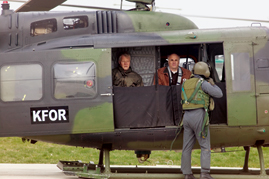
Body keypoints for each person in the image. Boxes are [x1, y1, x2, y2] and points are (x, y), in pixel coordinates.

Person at [181, 62, 223, 179]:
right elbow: (219, 94)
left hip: (186, 117)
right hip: (199, 115)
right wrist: (212, 84)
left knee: (187, 147)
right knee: (205, 146)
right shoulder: (203, 83)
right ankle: (204, 173)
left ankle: (187, 174)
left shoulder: (186, 83)